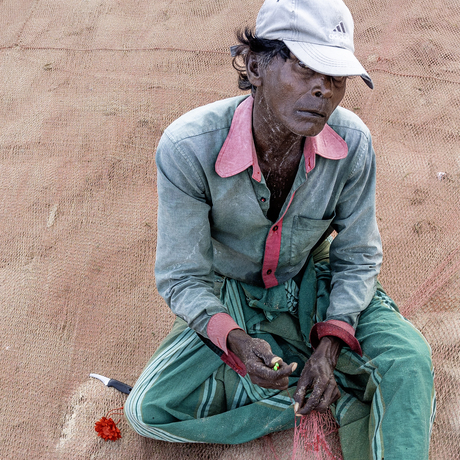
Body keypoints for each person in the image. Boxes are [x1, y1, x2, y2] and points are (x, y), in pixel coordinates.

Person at [125, 0, 435, 458]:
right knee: (149, 410)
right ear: (254, 65)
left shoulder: (353, 143)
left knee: (408, 361)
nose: (322, 91)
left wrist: (330, 345)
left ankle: (327, 371)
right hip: (232, 290)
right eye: (305, 67)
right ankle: (305, 397)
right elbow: (183, 276)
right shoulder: (187, 148)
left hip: (315, 280)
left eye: (335, 78)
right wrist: (233, 338)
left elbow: (358, 256)